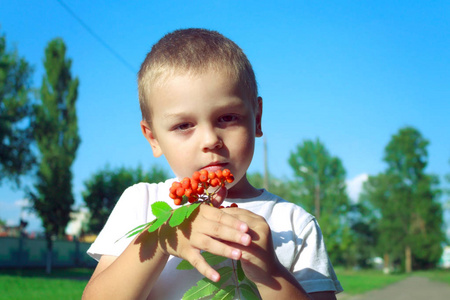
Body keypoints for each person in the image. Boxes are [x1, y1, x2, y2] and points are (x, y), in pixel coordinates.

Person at [83, 28, 343, 300]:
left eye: (227, 118)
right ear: (153, 138)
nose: (210, 140)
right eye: (183, 125)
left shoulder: (295, 225)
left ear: (256, 119)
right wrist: (161, 238)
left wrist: (270, 273)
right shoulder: (141, 203)